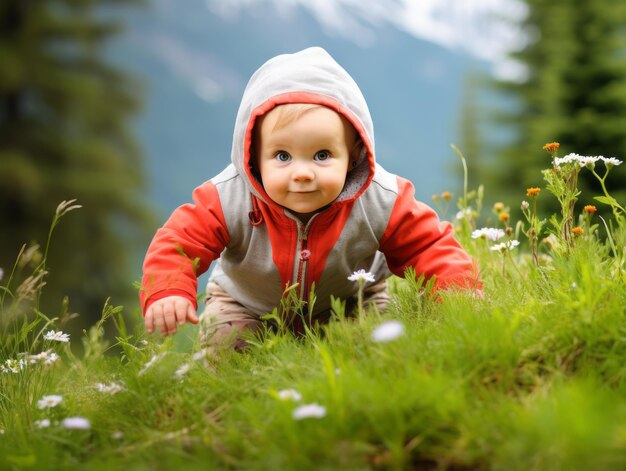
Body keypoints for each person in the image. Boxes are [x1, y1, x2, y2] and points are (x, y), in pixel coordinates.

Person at [140, 47, 480, 348]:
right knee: (228, 345)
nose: (302, 173)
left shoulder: (381, 198)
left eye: (321, 155)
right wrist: (168, 289)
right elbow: (179, 242)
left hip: (352, 300)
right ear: (254, 155)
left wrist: (459, 296)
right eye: (282, 156)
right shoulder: (227, 197)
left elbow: (427, 246)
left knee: (378, 347)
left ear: (355, 153)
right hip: (247, 304)